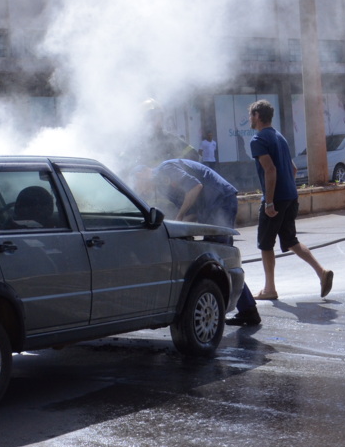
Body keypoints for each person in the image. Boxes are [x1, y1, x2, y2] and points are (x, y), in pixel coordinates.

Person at [133, 158, 260, 325]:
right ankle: (248, 309)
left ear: (143, 174)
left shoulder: (165, 169)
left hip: (220, 200)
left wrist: (179, 219)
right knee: (221, 258)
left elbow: (195, 187)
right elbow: (191, 210)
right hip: (212, 205)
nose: (142, 190)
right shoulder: (163, 187)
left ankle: (245, 309)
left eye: (140, 184)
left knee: (218, 257)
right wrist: (179, 227)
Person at [246, 99, 333, 309]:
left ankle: (270, 289)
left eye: (251, 115)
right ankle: (321, 272)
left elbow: (270, 170)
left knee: (266, 244)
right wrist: (286, 192)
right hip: (290, 196)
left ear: (257, 116)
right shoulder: (279, 137)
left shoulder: (257, 139)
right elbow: (293, 170)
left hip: (275, 198)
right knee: (290, 240)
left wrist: (269, 201)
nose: (249, 119)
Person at [134, 99, 199, 167]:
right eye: (152, 117)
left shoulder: (169, 139)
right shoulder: (136, 143)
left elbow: (193, 155)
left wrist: (174, 168)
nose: (157, 120)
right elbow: (125, 165)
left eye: (158, 116)